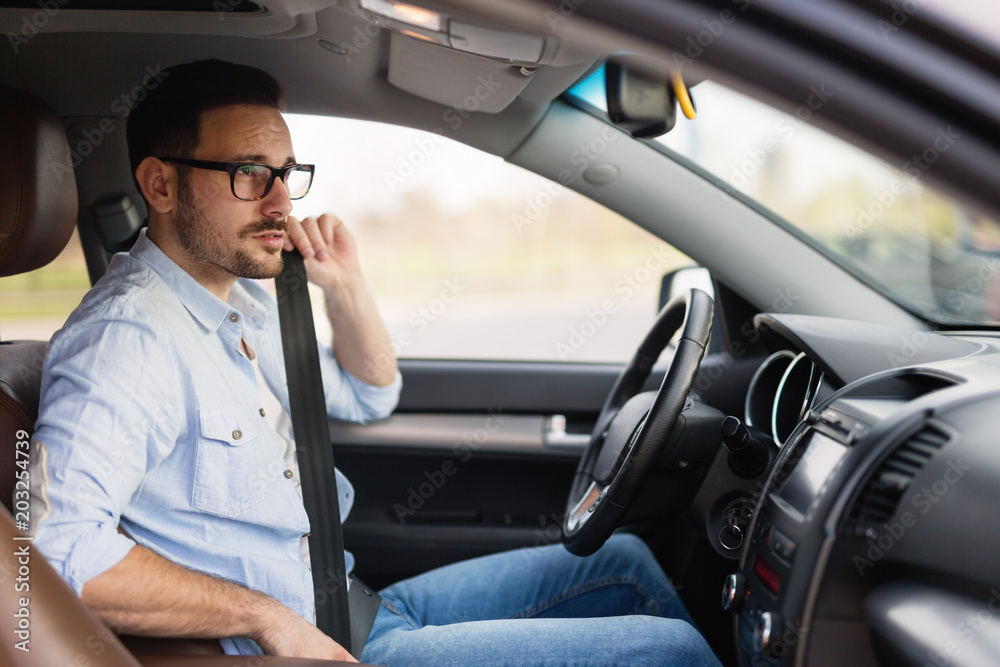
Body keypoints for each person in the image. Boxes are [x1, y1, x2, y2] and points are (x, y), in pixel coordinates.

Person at [29, 59, 721, 666]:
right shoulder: (126, 338)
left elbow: (370, 393)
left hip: (357, 607)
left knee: (623, 562)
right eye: (249, 174)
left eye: (287, 174)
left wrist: (347, 285)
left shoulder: (239, 299)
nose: (281, 201)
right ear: (160, 185)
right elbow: (57, 553)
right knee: (670, 653)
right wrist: (262, 616)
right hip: (309, 644)